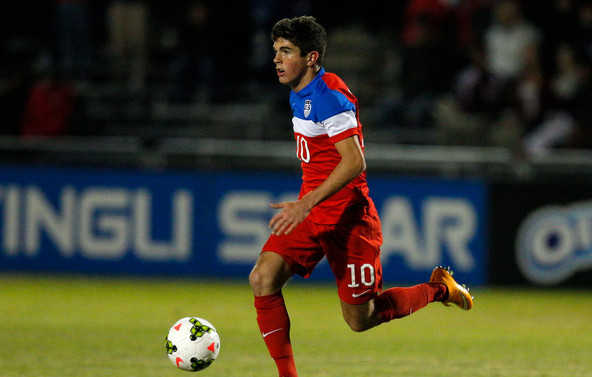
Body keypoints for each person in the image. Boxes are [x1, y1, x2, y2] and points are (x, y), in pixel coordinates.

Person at [248, 16, 474, 377]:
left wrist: (305, 202)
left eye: (286, 51)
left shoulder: (329, 97)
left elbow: (354, 161)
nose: (276, 59)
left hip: (349, 219)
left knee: (361, 319)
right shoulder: (298, 92)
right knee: (263, 278)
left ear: (311, 57)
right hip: (312, 213)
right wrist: (308, 204)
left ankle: (437, 289)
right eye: (276, 50)